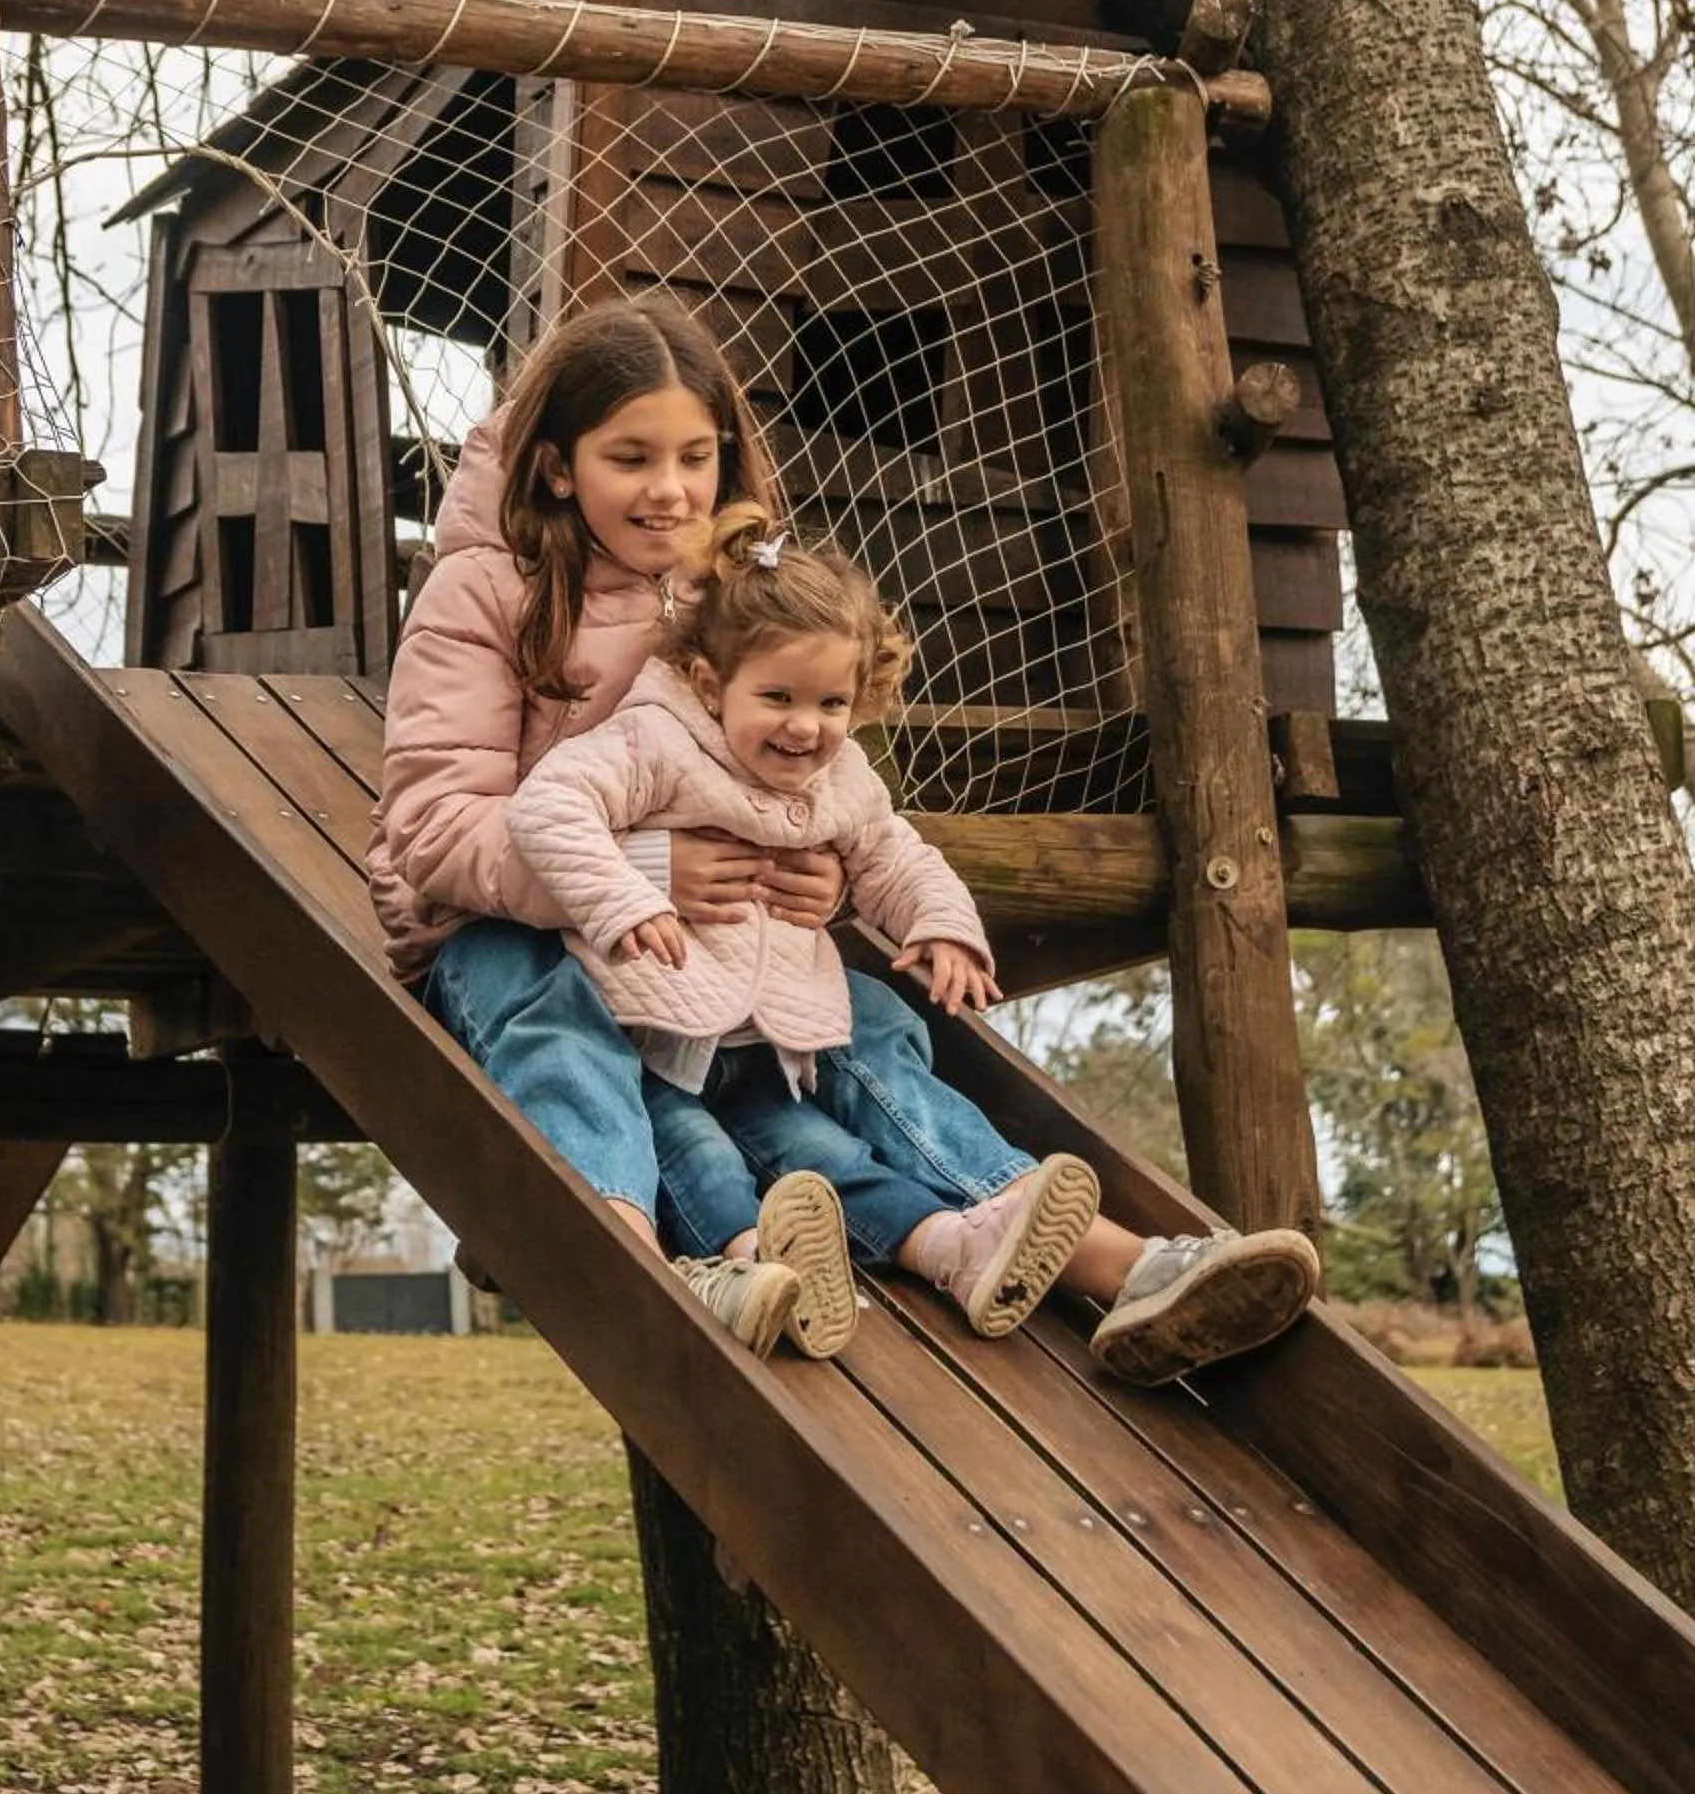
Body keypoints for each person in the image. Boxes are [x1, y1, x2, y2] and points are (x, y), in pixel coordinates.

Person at [368, 294, 1318, 1384]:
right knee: (560, 1012)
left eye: (694, 457)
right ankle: (629, 1254)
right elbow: (434, 828)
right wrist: (647, 873)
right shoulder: (487, 590)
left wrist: (818, 873)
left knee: (858, 1025)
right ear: (554, 467)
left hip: (711, 950)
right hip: (506, 926)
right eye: (630, 458)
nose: (669, 489)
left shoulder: (731, 587)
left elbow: (834, 792)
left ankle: (1106, 1260)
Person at [507, 505, 1323, 1383]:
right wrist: (626, 896)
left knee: (833, 1156)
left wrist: (943, 928)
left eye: (831, 703)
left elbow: (896, 856)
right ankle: (753, 1268)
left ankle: (965, 1248)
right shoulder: (655, 741)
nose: (805, 728)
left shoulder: (841, 778)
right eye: (777, 698)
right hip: (655, 1042)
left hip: (775, 1052)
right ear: (710, 685)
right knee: (700, 1156)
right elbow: (548, 806)